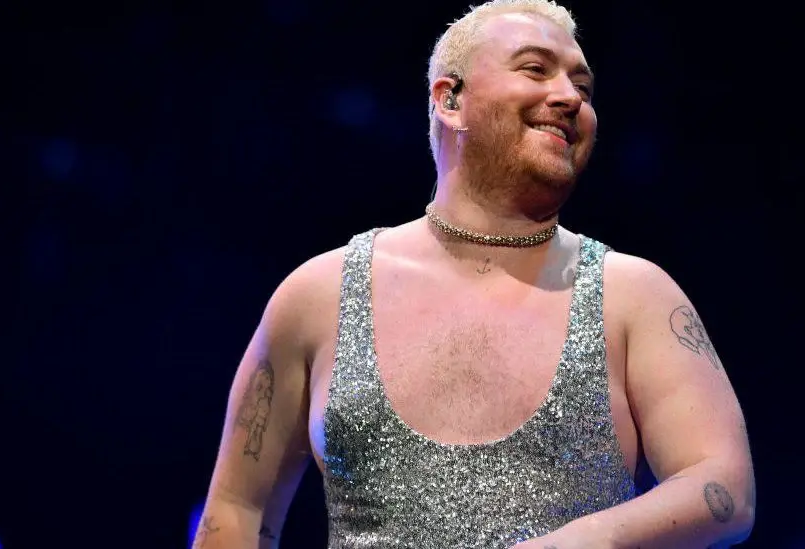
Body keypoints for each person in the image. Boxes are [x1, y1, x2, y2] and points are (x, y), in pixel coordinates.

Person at [191, 1, 756, 547]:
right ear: (450, 100)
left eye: (583, 88)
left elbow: (723, 485)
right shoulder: (319, 296)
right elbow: (238, 511)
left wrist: (583, 540)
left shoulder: (633, 296)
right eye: (535, 69)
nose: (569, 97)